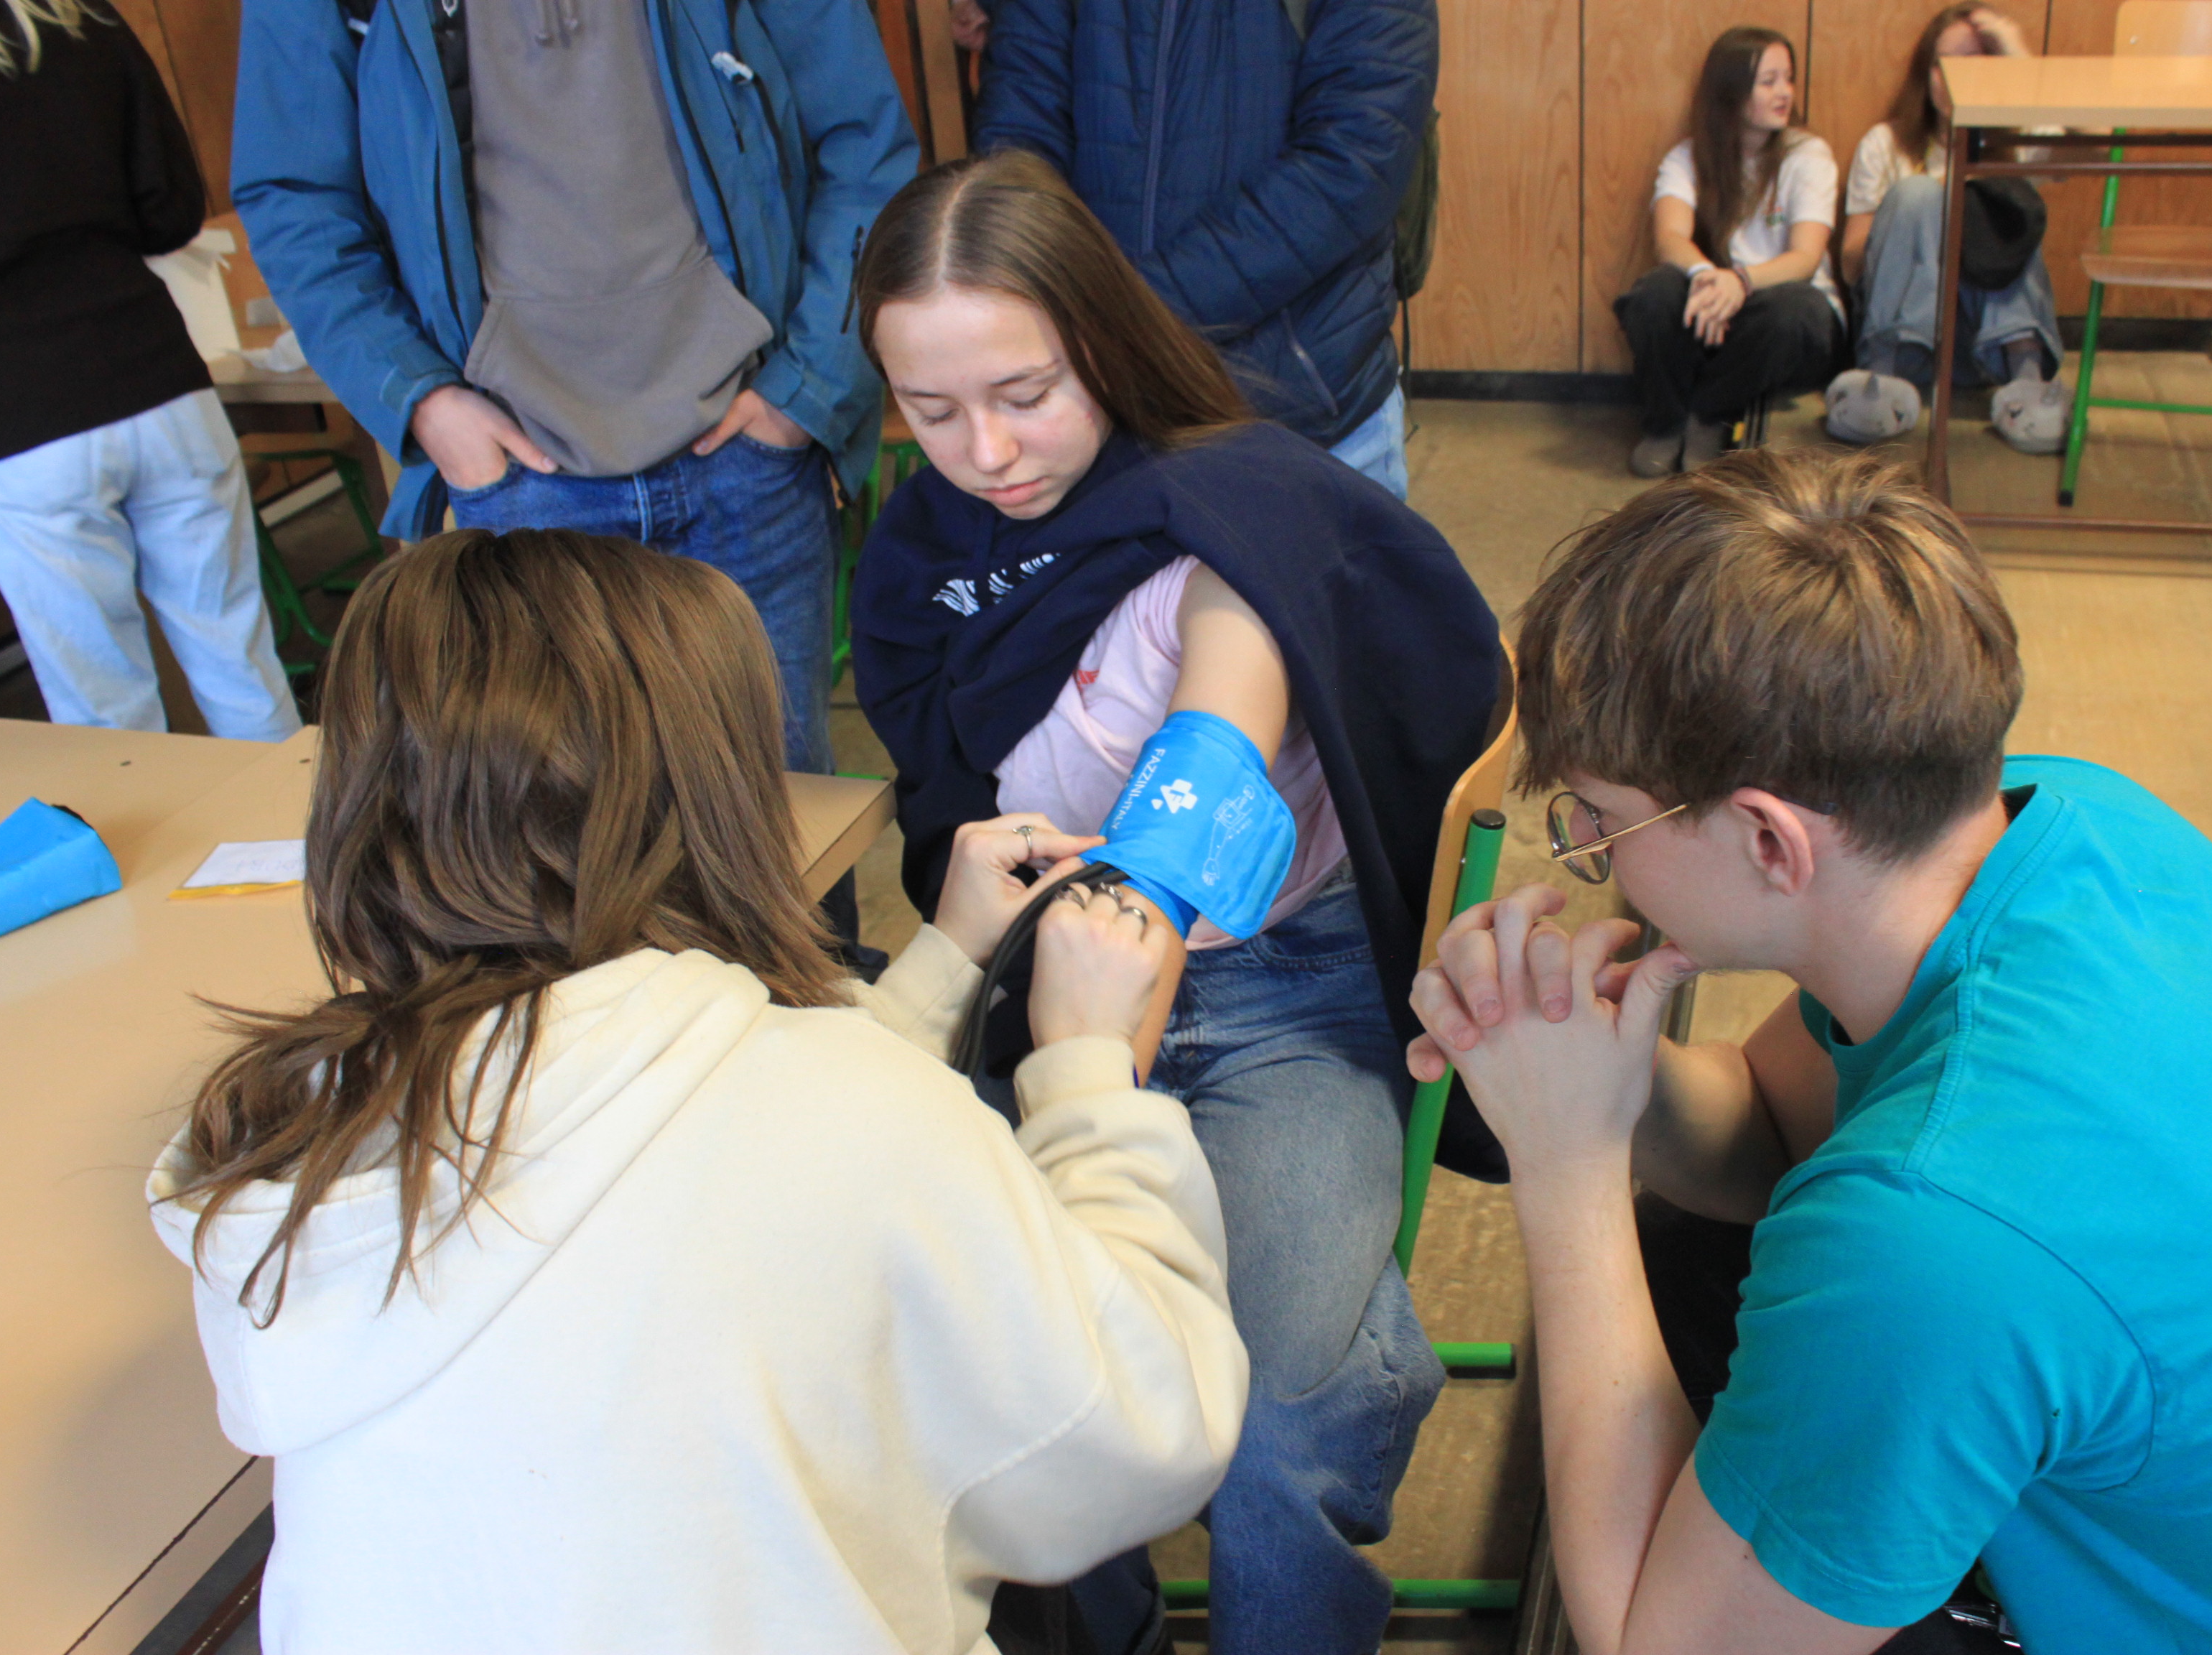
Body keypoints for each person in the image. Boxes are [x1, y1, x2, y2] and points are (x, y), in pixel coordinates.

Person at [1404, 445, 2212, 1654]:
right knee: (1696, 1257)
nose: (1588, 848)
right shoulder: (2069, 819)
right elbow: (1773, 1119)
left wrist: (1564, 1165)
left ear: (1769, 841)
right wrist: (1597, 1071)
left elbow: (1660, 1646)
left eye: (1601, 818)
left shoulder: (1931, 1226)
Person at [148, 526, 1247, 1654]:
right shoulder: (846, 1113)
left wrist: (947, 956)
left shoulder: (306, 1124)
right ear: (715, 799)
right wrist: (1088, 1070)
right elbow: (1149, 1430)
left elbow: (685, 1108)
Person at [849, 152, 1505, 1655]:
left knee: (1279, 1423)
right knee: (984, 1378)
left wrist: (1121, 942)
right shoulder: (921, 557)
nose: (986, 452)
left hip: (1280, 994)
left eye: (1024, 393)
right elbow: (944, 794)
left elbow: (1208, 767)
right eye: (930, 411)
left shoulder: (1234, 502)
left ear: (1101, 340)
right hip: (1037, 984)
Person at [228, 0, 916, 784]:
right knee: (563, 829)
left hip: (750, 451)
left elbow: (865, 143)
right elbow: (294, 196)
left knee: (784, 812)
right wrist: (421, 399)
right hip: (518, 477)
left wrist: (809, 387)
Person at [0, 0, 299, 741]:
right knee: (241, 662)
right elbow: (171, 211)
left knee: (104, 712)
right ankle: (297, 813)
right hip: (163, 387)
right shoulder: (85, 19)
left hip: (18, 422)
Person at [972, 0, 1435, 500]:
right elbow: (1019, 144)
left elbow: (1356, 162)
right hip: (1097, 406)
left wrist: (1126, 318)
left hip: (1303, 406)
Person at [1824, 4, 2068, 454]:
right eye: (1945, 64)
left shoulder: (2016, 142)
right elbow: (1852, 264)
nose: (1955, 78)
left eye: (1974, 63)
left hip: (1985, 348)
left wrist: (2017, 56)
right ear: (1926, 74)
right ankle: (1879, 379)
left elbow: (2094, 144)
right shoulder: (1885, 143)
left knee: (1998, 196)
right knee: (1919, 194)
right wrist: (1921, 212)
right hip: (1904, 345)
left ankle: (2029, 381)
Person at [1617, 27, 1844, 480]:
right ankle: (1665, 425)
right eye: (1768, 82)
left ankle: (1709, 419)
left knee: (1791, 311)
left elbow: (1805, 257)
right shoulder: (1688, 157)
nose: (1784, 92)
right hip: (1714, 302)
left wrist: (1741, 282)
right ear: (1730, 92)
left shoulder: (1808, 154)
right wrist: (1707, 275)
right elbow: (1670, 238)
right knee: (1654, 293)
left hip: (1784, 304)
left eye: (1788, 79)